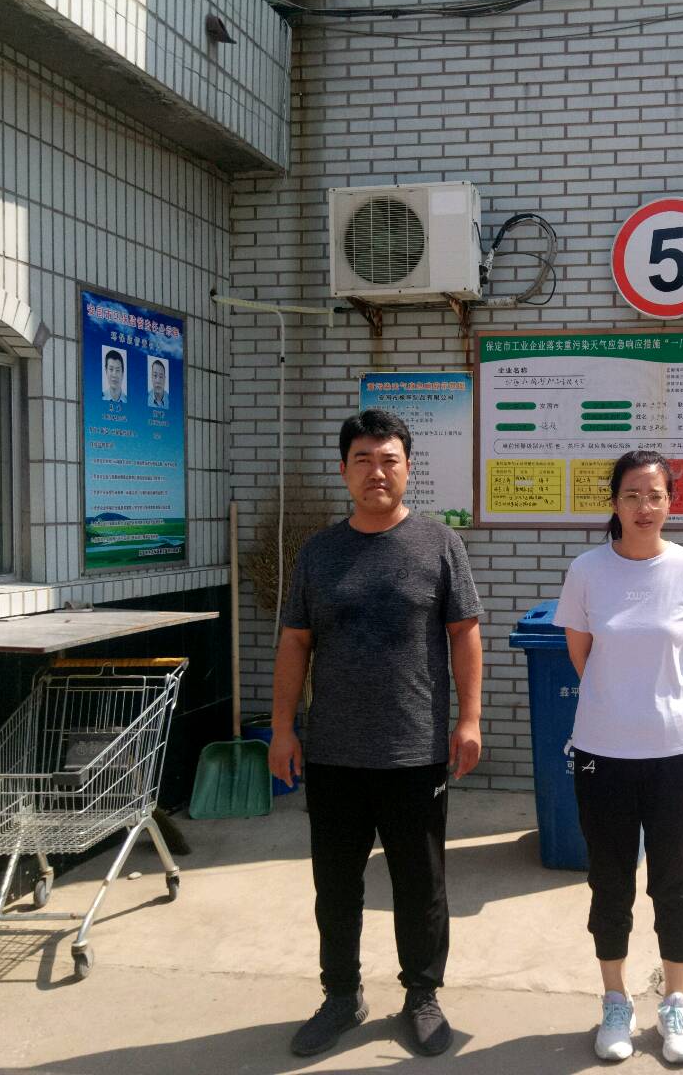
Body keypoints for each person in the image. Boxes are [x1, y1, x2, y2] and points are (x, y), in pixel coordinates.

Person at [270, 408, 483, 1060]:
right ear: (344, 471)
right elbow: (295, 642)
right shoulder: (319, 552)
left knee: (421, 885)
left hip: (414, 750)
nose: (376, 472)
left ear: (408, 468)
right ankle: (341, 995)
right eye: (362, 460)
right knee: (335, 886)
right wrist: (281, 729)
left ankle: (422, 995)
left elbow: (464, 633)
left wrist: (469, 719)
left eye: (389, 459)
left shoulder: (439, 544)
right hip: (334, 752)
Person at [553, 449, 683, 1065]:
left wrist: (660, 703)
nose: (644, 506)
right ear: (614, 503)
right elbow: (581, 656)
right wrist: (621, 703)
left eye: (655, 495)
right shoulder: (587, 571)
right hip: (602, 750)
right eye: (631, 495)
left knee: (675, 881)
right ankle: (614, 1000)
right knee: (609, 881)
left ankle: (676, 1002)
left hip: (677, 751)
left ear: (670, 503)